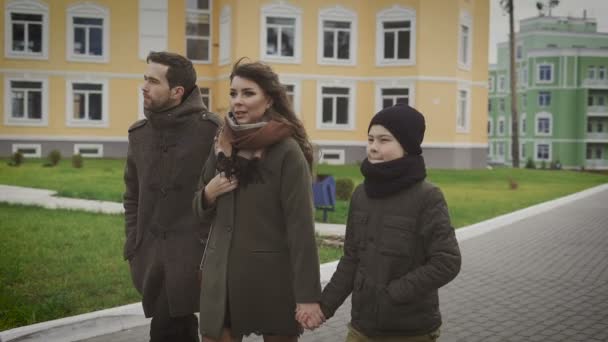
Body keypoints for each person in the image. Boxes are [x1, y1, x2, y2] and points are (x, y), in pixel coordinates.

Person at [299, 103, 462, 341]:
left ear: (406, 146)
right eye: (370, 139)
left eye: (384, 140)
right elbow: (351, 259)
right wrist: (324, 307)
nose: (373, 147)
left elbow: (447, 261)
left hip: (410, 332)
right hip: (361, 328)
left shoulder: (427, 197)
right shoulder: (361, 194)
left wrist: (393, 293)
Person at [193, 58, 323, 342]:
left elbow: (301, 229)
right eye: (233, 93)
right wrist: (208, 194)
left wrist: (308, 296)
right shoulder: (222, 142)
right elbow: (198, 206)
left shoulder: (287, 152)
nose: (237, 101)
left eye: (248, 93)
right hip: (222, 279)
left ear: (269, 100)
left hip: (271, 281)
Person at [123, 51, 221, 342]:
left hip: (194, 256)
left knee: (166, 329)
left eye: (153, 81)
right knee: (177, 328)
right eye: (145, 79)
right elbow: (132, 196)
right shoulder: (139, 134)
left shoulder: (211, 131)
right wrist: (133, 242)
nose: (144, 86)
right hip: (151, 255)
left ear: (177, 91)